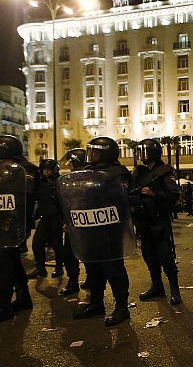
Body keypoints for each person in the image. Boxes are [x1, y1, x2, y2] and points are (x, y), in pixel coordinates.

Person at [69, 137, 133, 326]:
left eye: (95, 152)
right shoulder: (88, 171)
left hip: (110, 230)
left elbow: (121, 200)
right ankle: (96, 303)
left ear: (106, 152)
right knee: (93, 268)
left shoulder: (118, 173)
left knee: (113, 269)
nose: (92, 155)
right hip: (90, 228)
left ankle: (122, 307)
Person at [0, 135, 40, 327]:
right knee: (13, 261)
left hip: (14, 224)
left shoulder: (25, 169)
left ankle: (3, 305)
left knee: (2, 263)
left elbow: (25, 194)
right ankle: (23, 297)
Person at [131, 138, 182, 305]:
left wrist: (155, 194)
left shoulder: (164, 172)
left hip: (158, 222)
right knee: (149, 257)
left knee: (166, 257)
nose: (142, 156)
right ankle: (157, 286)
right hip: (144, 222)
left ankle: (175, 291)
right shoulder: (140, 172)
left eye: (145, 152)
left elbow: (174, 195)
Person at [28, 159, 65, 279]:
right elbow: (39, 200)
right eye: (44, 169)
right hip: (45, 218)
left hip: (56, 218)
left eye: (49, 169)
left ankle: (59, 268)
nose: (46, 171)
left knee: (57, 244)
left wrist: (64, 220)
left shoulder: (59, 182)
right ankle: (40, 268)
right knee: (37, 243)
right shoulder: (40, 183)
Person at [58, 148, 87, 297]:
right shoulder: (69, 179)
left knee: (89, 254)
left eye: (71, 163)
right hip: (72, 221)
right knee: (69, 254)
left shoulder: (90, 178)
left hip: (86, 222)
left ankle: (91, 279)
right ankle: (73, 281)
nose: (69, 166)